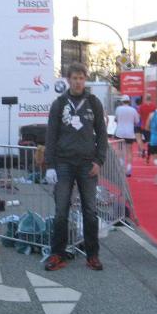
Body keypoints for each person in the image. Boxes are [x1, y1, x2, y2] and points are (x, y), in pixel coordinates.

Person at [43, 63, 108, 272]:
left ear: (85, 80)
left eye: (81, 78)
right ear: (68, 80)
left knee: (90, 211)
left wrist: (99, 161)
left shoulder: (93, 102)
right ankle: (57, 254)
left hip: (87, 165)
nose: (78, 82)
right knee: (61, 211)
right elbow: (51, 135)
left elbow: (102, 134)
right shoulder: (59, 103)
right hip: (63, 163)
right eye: (74, 78)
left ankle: (92, 255)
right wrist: (50, 165)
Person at [114, 94, 140, 177]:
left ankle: (121, 166)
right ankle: (128, 169)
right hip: (129, 133)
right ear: (129, 101)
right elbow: (137, 121)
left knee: (120, 150)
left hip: (120, 132)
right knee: (129, 151)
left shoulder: (118, 109)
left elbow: (116, 119)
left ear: (122, 101)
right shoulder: (133, 110)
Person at [138, 94, 156, 160]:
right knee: (150, 141)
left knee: (146, 140)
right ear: (151, 98)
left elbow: (139, 117)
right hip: (152, 127)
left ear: (145, 99)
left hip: (144, 126)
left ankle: (144, 150)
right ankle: (149, 154)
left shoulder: (141, 106)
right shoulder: (154, 106)